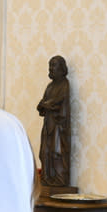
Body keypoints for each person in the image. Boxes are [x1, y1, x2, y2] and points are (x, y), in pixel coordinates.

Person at [37, 55, 71, 187]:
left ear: (62, 68)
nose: (51, 68)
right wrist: (45, 105)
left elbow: (58, 104)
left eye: (54, 65)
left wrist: (48, 104)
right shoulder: (50, 87)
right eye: (50, 65)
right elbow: (42, 104)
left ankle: (59, 179)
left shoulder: (64, 84)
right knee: (45, 152)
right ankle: (47, 178)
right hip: (48, 124)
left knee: (57, 152)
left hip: (58, 125)